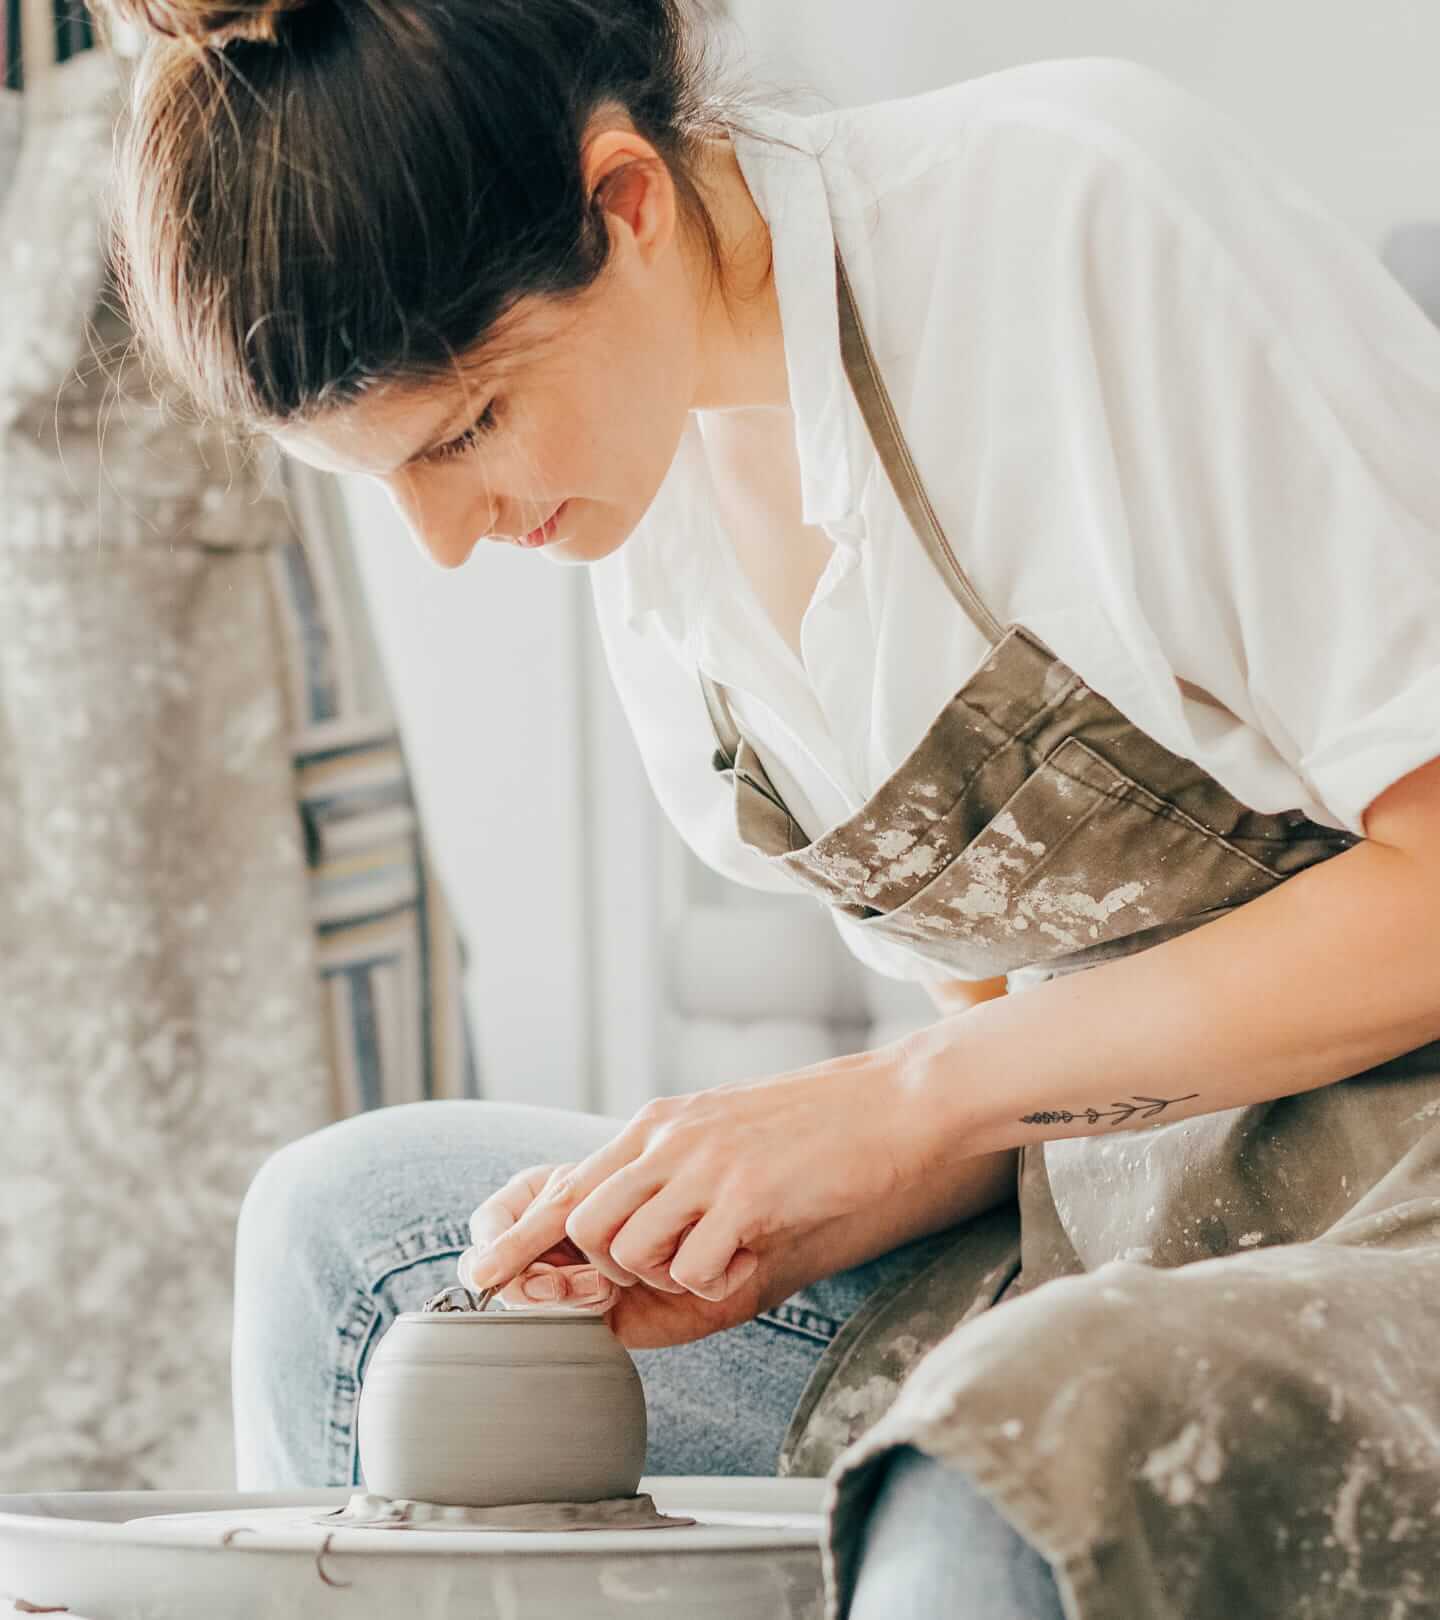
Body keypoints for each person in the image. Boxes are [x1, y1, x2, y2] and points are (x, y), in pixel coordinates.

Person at [99, 2, 1440, 1615]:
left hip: (1403, 1221)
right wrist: (789, 1193)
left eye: (467, 430)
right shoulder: (661, 564)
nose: (451, 537)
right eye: (386, 483)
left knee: (1008, 1458)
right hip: (1124, 1225)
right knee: (357, 1245)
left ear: (626, 204)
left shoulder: (1076, 224)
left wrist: (906, 1098)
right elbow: (1032, 1072)